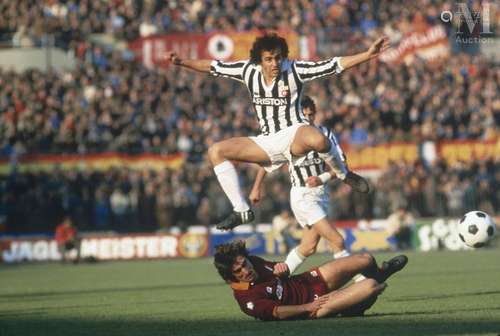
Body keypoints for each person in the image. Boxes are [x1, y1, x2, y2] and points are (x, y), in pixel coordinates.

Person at [167, 33, 387, 230]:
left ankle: (343, 174)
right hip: (267, 141)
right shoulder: (247, 70)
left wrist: (367, 55)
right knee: (216, 151)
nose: (275, 63)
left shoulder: (294, 70)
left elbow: (332, 65)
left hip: (294, 133)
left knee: (318, 139)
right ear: (259, 60)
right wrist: (182, 62)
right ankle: (241, 210)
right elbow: (213, 67)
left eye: (278, 58)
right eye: (269, 59)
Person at [250, 96, 360, 276]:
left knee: (308, 247)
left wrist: (322, 178)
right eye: (304, 114)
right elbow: (267, 162)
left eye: (311, 114)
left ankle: (276, 279)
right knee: (337, 241)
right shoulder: (288, 136)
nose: (308, 118)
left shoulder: (326, 134)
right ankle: (360, 282)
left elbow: (341, 166)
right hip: (302, 196)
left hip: (321, 194)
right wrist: (256, 187)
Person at [213, 240, 408, 321]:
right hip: (314, 306)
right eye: (239, 271)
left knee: (366, 259)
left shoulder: (254, 262)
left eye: (244, 263)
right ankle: (351, 306)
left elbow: (279, 270)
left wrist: (281, 270)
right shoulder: (246, 299)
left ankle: (377, 276)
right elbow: (277, 312)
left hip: (306, 281)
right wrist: (308, 307)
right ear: (230, 277)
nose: (246, 270)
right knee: (370, 286)